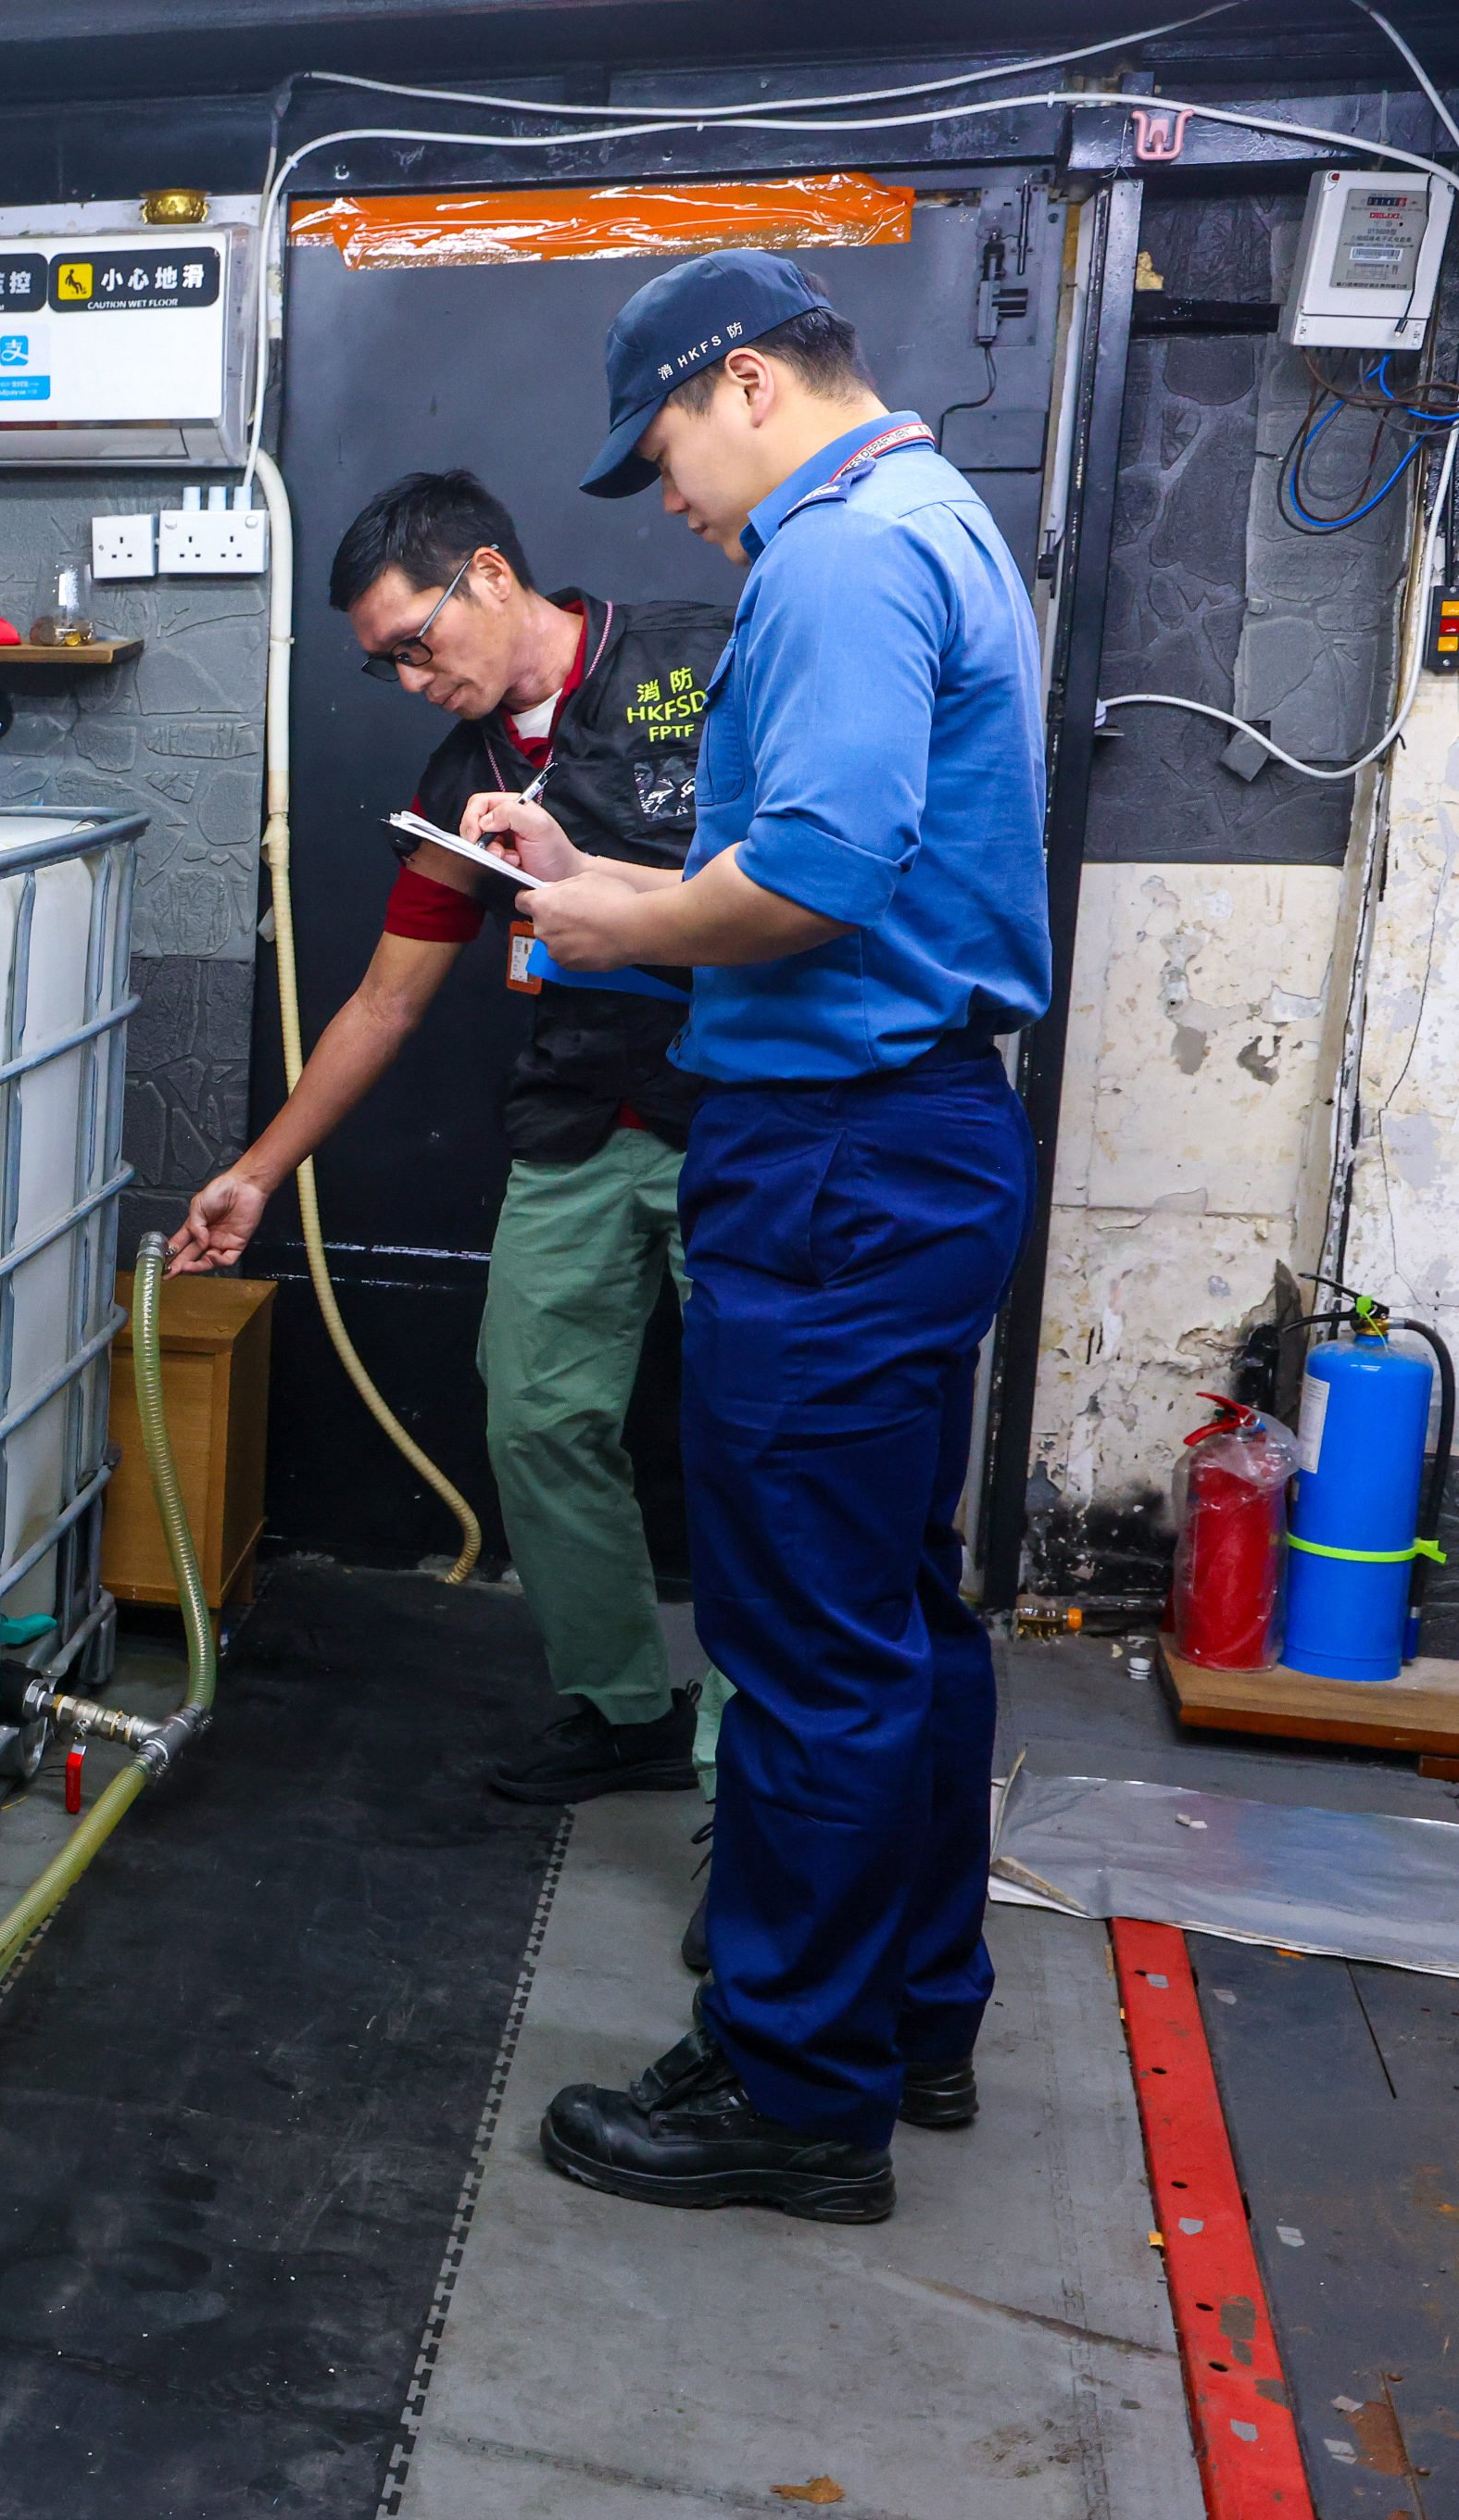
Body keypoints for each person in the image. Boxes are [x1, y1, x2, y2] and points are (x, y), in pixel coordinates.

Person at [474, 251, 1049, 2224]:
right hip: (919, 1140)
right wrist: (608, 871)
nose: (670, 509)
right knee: (899, 1608)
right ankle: (908, 2009)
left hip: (829, 1156)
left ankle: (792, 2094)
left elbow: (809, 876)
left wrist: (600, 927)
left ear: (734, 387)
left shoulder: (825, 549)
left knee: (800, 1645)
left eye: (659, 458)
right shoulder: (934, 517)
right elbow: (839, 854)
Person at [168, 475, 734, 1811]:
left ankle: (751, 1781)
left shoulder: (704, 659)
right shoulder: (460, 779)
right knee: (536, 1413)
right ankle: (620, 1706)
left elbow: (807, 879)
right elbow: (384, 1000)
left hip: (747, 1118)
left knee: (758, 1449)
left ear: (487, 574)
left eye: (414, 642)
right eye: (382, 666)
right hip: (582, 1121)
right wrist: (256, 1173)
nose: (410, 677)